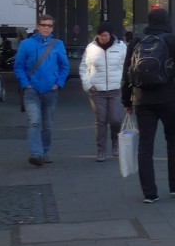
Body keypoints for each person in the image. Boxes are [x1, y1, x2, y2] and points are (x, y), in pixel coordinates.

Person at [121, 8, 175, 203]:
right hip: (169, 98)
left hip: (142, 100)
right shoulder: (174, 41)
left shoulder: (136, 42)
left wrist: (126, 100)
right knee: (173, 139)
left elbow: (127, 73)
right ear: (166, 21)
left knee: (145, 145)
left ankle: (149, 193)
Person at [13, 15, 70, 166]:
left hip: (51, 91)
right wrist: (26, 84)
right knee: (34, 122)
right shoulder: (26, 44)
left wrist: (58, 83)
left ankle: (44, 152)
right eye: (43, 25)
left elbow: (65, 67)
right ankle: (36, 154)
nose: (46, 28)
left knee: (48, 126)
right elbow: (18, 66)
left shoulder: (58, 44)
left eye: (49, 26)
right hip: (32, 91)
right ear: (37, 26)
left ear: (52, 28)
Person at [80, 21, 127, 162]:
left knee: (116, 120)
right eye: (101, 35)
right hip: (97, 91)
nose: (103, 38)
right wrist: (88, 84)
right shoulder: (91, 48)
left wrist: (125, 83)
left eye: (106, 35)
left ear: (110, 34)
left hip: (115, 90)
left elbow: (127, 65)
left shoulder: (121, 47)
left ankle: (115, 142)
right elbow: (84, 68)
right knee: (101, 121)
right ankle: (101, 150)